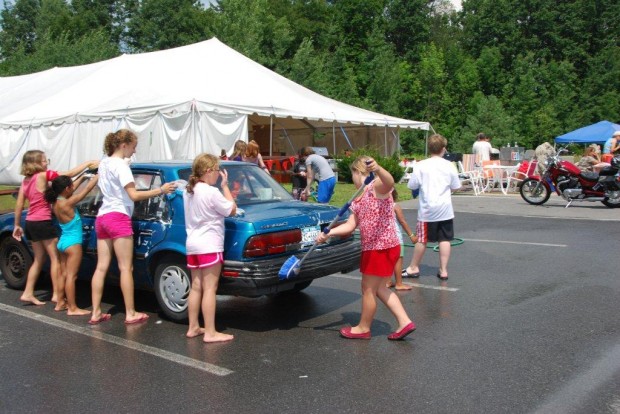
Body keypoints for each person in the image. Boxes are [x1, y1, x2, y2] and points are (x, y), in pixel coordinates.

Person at [316, 156, 415, 340]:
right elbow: (351, 225)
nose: (351, 179)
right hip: (377, 248)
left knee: (368, 288)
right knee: (380, 288)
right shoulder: (357, 199)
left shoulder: (375, 187)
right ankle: (405, 322)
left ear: (358, 172)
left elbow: (389, 181)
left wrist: (378, 168)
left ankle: (363, 328)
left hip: (381, 247)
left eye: (352, 174)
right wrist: (328, 233)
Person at [89, 129, 176, 325]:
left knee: (101, 267)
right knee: (125, 267)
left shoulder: (104, 163)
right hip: (119, 216)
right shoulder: (121, 166)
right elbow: (134, 196)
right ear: (124, 145)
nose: (134, 151)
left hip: (102, 216)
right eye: (133, 146)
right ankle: (130, 312)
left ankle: (95, 312)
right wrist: (159, 190)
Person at [13, 150, 98, 308]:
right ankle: (57, 295)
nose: (47, 163)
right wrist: (88, 163)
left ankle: (28, 291)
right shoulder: (44, 175)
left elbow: (19, 204)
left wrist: (17, 224)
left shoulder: (25, 180)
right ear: (36, 163)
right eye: (44, 160)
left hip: (30, 222)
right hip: (43, 222)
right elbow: (69, 174)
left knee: (39, 259)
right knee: (55, 259)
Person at [183, 153, 236, 343]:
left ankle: (193, 327)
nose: (218, 174)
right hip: (209, 244)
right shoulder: (211, 192)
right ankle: (211, 332)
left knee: (196, 287)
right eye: (216, 170)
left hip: (193, 244)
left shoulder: (189, 190)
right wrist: (225, 186)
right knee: (210, 289)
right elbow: (232, 209)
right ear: (207, 171)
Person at [403, 134, 461, 281]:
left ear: (429, 149)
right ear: (443, 149)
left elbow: (412, 185)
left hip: (427, 210)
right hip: (445, 209)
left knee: (422, 239)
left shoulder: (421, 165)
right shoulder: (449, 165)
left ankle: (413, 267)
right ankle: (443, 270)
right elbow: (456, 187)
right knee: (445, 239)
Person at [45, 173, 99, 315]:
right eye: (71, 186)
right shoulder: (68, 202)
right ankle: (73, 308)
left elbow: (72, 189)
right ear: (67, 188)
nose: (73, 188)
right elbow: (86, 190)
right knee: (71, 276)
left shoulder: (56, 202)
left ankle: (61, 302)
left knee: (63, 274)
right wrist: (97, 177)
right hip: (73, 243)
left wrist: (83, 176)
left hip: (63, 242)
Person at [386, 189, 416, 291]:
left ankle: (387, 281)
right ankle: (399, 283)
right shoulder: (395, 206)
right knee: (398, 261)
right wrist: (411, 235)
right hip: (396, 239)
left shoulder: (379, 207)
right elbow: (402, 222)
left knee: (387, 261)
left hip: (384, 240)